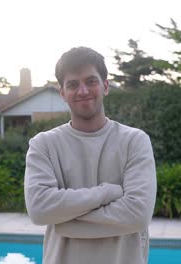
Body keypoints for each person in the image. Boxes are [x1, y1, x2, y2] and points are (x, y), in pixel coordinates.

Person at [24, 47, 157, 264]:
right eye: (73, 84)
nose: (83, 90)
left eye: (91, 81)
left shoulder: (134, 141)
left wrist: (67, 222)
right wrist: (107, 193)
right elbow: (39, 209)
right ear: (62, 93)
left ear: (105, 86)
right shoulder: (43, 145)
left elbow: (138, 213)